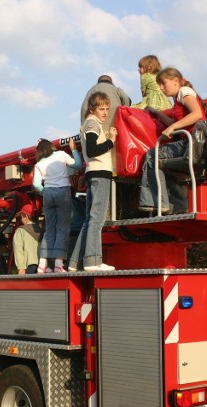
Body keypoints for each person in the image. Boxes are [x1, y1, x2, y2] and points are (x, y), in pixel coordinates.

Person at [138, 67, 207, 214]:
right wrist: (158, 114)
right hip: (192, 144)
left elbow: (197, 114)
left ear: (176, 81)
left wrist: (173, 127)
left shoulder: (184, 92)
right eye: (160, 85)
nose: (162, 88)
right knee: (164, 165)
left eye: (164, 83)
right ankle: (179, 207)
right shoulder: (178, 99)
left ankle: (157, 203)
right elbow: (175, 124)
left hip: (193, 144)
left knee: (152, 155)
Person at [68, 92, 117, 272]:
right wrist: (111, 141)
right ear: (92, 109)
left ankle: (74, 263)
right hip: (100, 173)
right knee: (97, 219)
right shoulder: (92, 123)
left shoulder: (89, 123)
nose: (105, 112)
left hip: (92, 173)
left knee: (90, 219)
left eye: (106, 109)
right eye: (101, 109)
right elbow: (92, 149)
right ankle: (92, 261)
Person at [33, 138, 82, 273]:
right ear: (50, 146)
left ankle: (42, 265)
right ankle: (58, 265)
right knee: (62, 228)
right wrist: (74, 150)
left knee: (49, 229)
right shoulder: (60, 155)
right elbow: (78, 165)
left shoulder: (39, 164)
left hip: (48, 193)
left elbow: (36, 184)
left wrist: (46, 192)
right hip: (62, 192)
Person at [12, 204, 42, 274]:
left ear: (26, 217)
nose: (21, 219)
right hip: (42, 267)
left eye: (21, 216)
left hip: (28, 267)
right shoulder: (41, 230)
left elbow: (18, 250)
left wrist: (21, 267)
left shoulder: (20, 231)